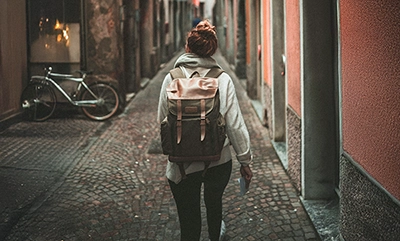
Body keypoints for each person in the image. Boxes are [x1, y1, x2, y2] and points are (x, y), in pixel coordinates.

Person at [157, 20, 253, 241]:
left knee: (188, 221)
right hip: (218, 161)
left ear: (187, 48)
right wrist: (245, 161)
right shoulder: (223, 79)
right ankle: (214, 235)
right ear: (213, 49)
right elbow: (235, 124)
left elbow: (162, 121)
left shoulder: (171, 78)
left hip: (181, 164)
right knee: (214, 205)